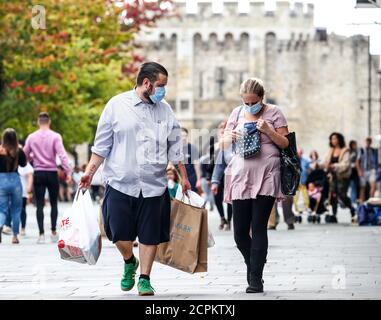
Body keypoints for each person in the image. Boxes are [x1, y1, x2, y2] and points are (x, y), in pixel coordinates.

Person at [79, 62, 191, 296]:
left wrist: (184, 176)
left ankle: (145, 278)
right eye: (161, 86)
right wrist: (89, 172)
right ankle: (130, 260)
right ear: (147, 83)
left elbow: (175, 147)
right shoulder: (116, 106)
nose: (163, 91)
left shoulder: (165, 110)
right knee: (117, 232)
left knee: (150, 234)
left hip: (154, 185)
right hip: (121, 183)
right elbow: (101, 146)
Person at [219, 78, 290, 293]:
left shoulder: (275, 112)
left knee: (258, 226)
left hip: (268, 173)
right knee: (239, 231)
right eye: (246, 102)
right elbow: (221, 145)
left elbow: (286, 143)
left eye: (254, 102)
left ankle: (255, 279)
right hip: (241, 176)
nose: (250, 106)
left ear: (262, 98)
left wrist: (269, 130)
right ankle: (253, 265)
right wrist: (228, 136)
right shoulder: (236, 113)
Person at [24, 112, 72, 244]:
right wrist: (68, 173)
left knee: (39, 204)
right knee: (54, 203)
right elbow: (62, 155)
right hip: (52, 173)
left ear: (38, 122)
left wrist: (32, 158)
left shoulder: (31, 137)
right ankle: (53, 231)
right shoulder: (56, 136)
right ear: (49, 122)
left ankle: (41, 234)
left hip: (38, 173)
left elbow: (25, 156)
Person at [0, 129, 27, 244]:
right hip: (15, 180)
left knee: (2, 209)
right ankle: (15, 236)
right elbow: (24, 164)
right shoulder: (19, 150)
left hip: (1, 181)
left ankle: (0, 224)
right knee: (16, 210)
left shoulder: (0, 150)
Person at [323, 132, 356, 223]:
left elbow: (345, 164)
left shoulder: (345, 150)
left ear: (339, 139)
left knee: (342, 196)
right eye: (332, 139)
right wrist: (319, 165)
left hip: (342, 177)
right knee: (333, 195)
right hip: (333, 177)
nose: (333, 140)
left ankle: (352, 209)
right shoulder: (331, 150)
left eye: (335, 138)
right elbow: (325, 162)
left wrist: (334, 166)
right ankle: (333, 215)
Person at [211, 121, 234, 231]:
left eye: (224, 131)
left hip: (229, 175)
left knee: (230, 199)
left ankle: (229, 220)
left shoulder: (230, 145)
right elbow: (208, 162)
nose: (222, 133)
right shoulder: (214, 147)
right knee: (217, 198)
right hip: (216, 173)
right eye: (221, 132)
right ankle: (222, 218)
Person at [356, 137, 378, 203]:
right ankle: (362, 203)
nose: (368, 143)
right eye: (367, 142)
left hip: (372, 170)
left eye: (369, 142)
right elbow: (357, 161)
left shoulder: (373, 150)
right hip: (363, 170)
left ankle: (371, 201)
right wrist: (359, 171)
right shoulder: (361, 150)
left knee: (373, 186)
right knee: (362, 187)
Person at [181, 127, 202, 193]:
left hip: (191, 178)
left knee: (192, 198)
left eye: (185, 136)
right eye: (182, 136)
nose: (184, 138)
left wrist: (199, 179)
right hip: (179, 177)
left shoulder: (192, 149)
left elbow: (197, 165)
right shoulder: (175, 149)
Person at [17, 153, 34, 236]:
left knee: (22, 209)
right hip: (13, 190)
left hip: (23, 191)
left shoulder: (25, 164)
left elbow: (30, 176)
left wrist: (29, 186)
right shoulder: (11, 161)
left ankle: (23, 228)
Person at [199, 136, 216, 211]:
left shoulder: (203, 158)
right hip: (210, 177)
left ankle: (204, 204)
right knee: (210, 193)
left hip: (203, 177)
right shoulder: (213, 158)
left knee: (207, 193)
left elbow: (200, 169)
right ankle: (210, 204)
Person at [293, 148, 310, 215]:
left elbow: (309, 170)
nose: (299, 154)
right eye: (298, 152)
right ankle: (297, 209)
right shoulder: (294, 160)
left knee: (305, 196)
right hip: (296, 182)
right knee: (296, 197)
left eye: (300, 152)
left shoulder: (306, 161)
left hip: (303, 182)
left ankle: (305, 208)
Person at [348, 140, 360, 206]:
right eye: (354, 144)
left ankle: (353, 200)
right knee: (351, 186)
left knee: (354, 186)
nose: (355, 146)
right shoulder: (349, 152)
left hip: (354, 171)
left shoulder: (357, 151)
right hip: (350, 171)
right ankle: (352, 200)